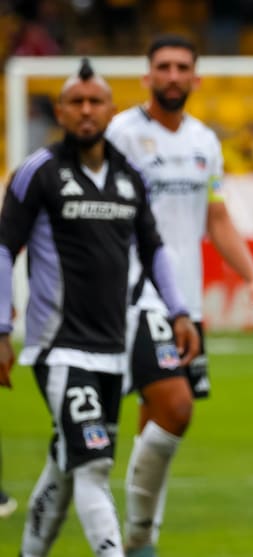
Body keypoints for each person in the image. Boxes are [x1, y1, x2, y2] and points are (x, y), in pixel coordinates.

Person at [0, 59, 198, 557]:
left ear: (111, 110)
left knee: (67, 459)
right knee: (93, 465)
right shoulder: (38, 172)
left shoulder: (130, 176)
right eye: (76, 102)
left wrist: (178, 312)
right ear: (60, 112)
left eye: (95, 102)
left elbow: (153, 250)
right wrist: (1, 327)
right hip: (60, 347)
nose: (86, 110)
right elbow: (3, 249)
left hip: (112, 349)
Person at [104, 35, 253, 557]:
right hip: (135, 295)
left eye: (182, 67)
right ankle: (136, 536)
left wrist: (252, 277)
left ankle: (138, 537)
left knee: (156, 416)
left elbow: (216, 217)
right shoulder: (121, 134)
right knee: (175, 407)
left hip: (186, 302)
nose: (173, 75)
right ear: (147, 76)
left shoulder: (204, 141)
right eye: (164, 67)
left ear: (196, 78)